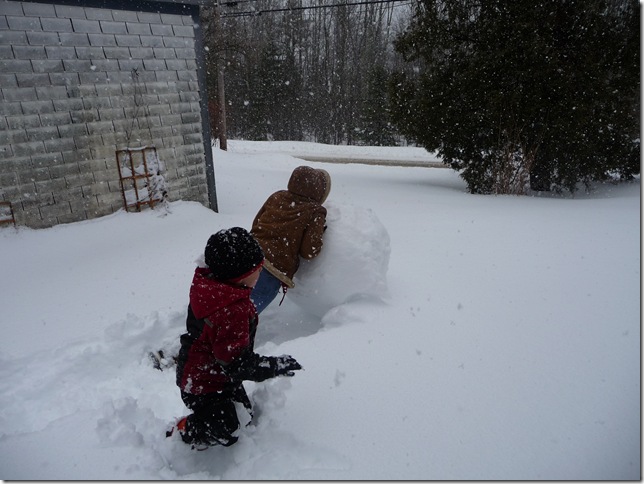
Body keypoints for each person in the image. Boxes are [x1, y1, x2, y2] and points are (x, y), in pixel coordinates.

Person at [170, 227, 302, 449]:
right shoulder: (231, 311)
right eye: (257, 270)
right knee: (228, 431)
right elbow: (237, 364)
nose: (260, 274)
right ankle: (186, 428)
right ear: (239, 276)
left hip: (212, 370)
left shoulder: (213, 286)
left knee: (245, 414)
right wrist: (272, 366)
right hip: (203, 384)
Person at [250, 165, 331, 313]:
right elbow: (309, 251)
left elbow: (257, 223)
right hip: (272, 270)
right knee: (245, 315)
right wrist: (320, 234)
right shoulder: (315, 211)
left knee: (227, 305)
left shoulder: (277, 196)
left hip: (248, 256)